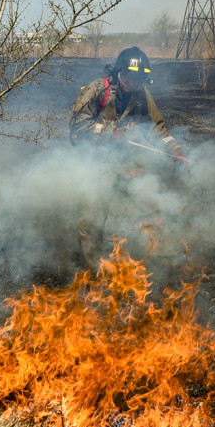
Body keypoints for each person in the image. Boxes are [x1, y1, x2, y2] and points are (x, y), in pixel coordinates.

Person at [68, 46, 185, 269]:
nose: (133, 83)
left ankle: (163, 265)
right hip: (97, 162)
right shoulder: (96, 90)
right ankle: (90, 271)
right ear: (118, 73)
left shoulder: (141, 93)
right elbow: (77, 127)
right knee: (92, 218)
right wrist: (109, 133)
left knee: (149, 206)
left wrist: (174, 148)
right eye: (129, 78)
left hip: (129, 163)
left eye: (139, 79)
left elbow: (156, 127)